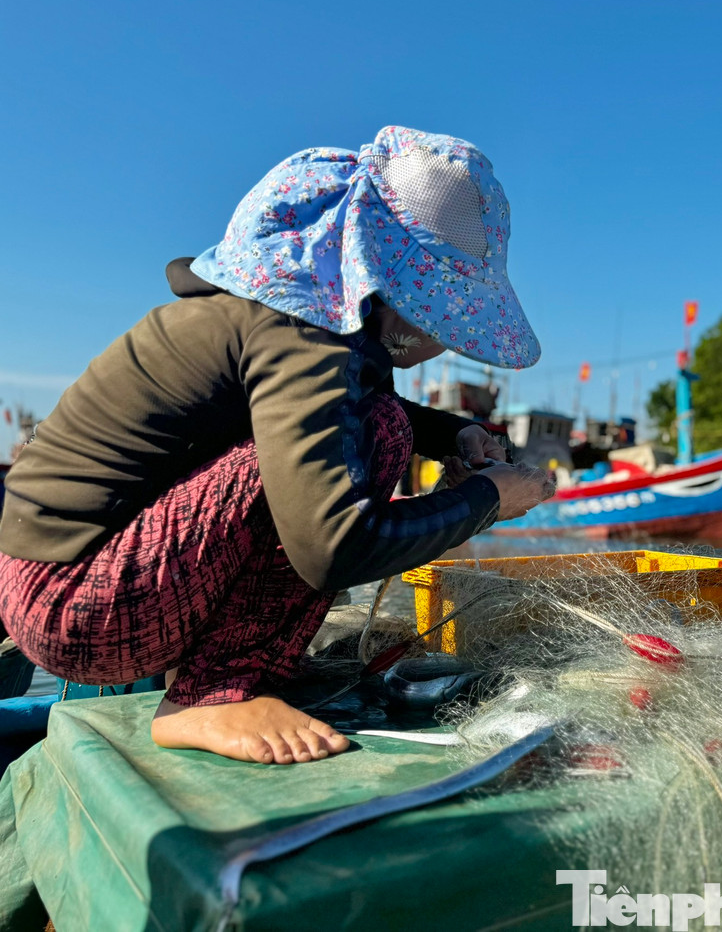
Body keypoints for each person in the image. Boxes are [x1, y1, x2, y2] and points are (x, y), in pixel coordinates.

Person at [0, 126, 553, 764]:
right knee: (379, 433)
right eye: (444, 318)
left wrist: (457, 431)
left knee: (380, 421)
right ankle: (208, 698)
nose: (447, 338)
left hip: (58, 585)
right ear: (394, 294)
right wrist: (486, 498)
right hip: (79, 608)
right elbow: (336, 547)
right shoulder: (307, 336)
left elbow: (346, 406)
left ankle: (233, 675)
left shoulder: (284, 320)